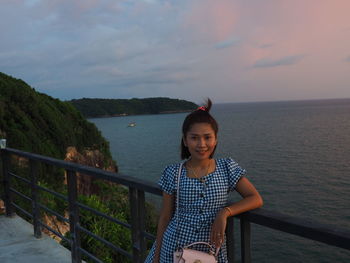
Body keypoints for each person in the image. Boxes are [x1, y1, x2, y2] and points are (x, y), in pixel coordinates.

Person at [145, 99, 263, 263]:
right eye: (194, 138)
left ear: (216, 140)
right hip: (174, 250)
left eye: (207, 137)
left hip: (210, 252)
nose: (202, 144)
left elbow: (255, 198)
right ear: (185, 141)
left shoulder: (226, 167)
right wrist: (156, 258)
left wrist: (225, 213)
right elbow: (165, 218)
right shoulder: (173, 172)